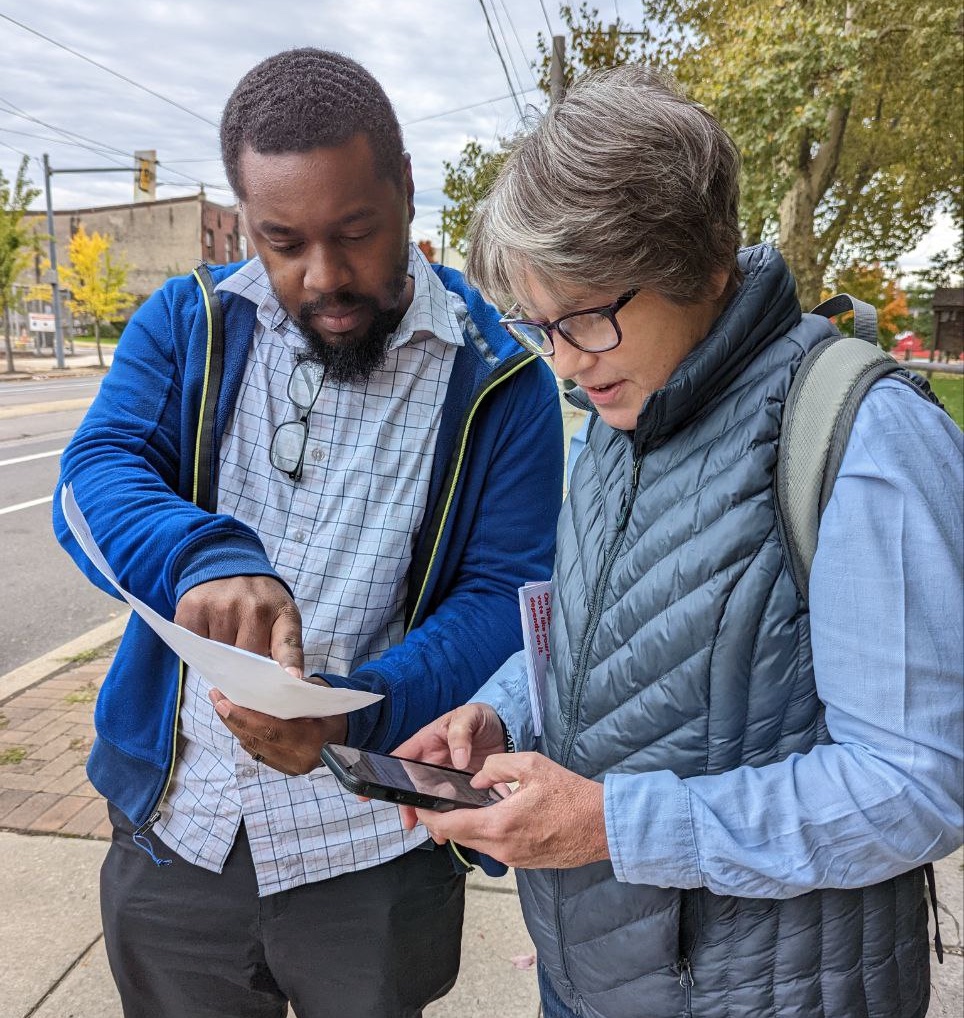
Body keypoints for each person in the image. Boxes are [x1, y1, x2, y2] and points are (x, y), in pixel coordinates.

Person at [395, 64, 964, 1018]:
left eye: (588, 317)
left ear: (699, 263)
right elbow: (602, 647)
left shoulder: (863, 436)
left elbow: (917, 785)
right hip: (594, 980)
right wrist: (498, 716)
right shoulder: (618, 412)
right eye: (541, 326)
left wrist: (612, 824)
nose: (567, 363)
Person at [53, 48, 562, 1018]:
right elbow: (93, 476)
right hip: (177, 830)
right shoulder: (190, 323)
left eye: (355, 233)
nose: (322, 274)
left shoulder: (504, 382)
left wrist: (351, 710)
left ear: (407, 192)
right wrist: (202, 555)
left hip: (370, 845)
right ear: (247, 219)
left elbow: (505, 595)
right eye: (282, 240)